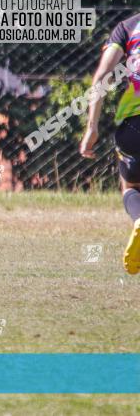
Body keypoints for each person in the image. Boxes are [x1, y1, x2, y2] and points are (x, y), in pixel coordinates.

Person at [79, 14, 140, 274]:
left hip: (133, 126)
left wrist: (92, 127)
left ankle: (139, 219)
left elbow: (103, 75)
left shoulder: (127, 27)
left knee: (131, 186)